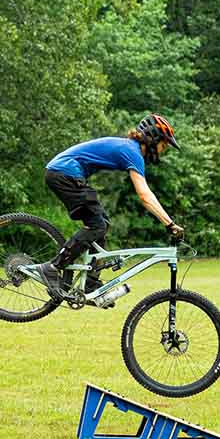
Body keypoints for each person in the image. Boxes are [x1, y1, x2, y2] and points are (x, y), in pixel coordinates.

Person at [39, 113, 184, 299]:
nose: (163, 150)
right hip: (64, 173)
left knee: (102, 224)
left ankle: (91, 283)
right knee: (98, 226)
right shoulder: (132, 152)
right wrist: (169, 224)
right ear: (153, 139)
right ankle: (52, 267)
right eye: (164, 145)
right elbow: (145, 195)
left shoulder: (129, 148)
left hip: (63, 172)